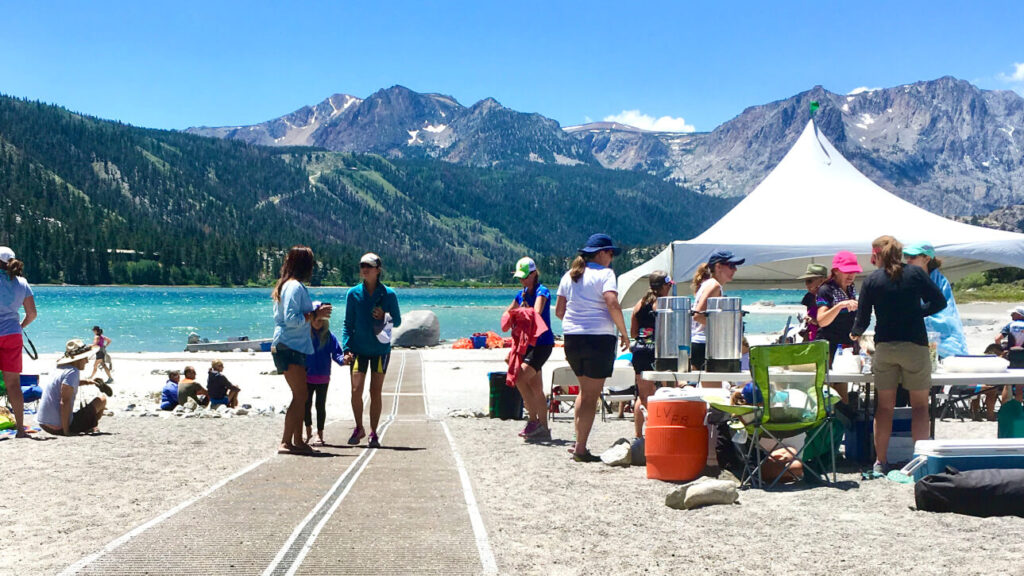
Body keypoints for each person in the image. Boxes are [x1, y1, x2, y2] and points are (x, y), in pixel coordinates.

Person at [851, 235, 946, 477]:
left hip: (885, 347)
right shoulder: (915, 274)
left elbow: (862, 319)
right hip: (915, 345)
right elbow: (939, 301)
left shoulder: (872, 280)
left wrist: (854, 334)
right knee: (920, 408)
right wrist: (918, 312)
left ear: (877, 254)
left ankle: (880, 463)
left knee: (884, 409)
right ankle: (920, 462)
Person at [555, 234, 630, 462]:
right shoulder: (605, 274)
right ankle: (580, 448)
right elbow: (612, 302)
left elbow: (559, 311)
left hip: (573, 339)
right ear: (600, 253)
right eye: (610, 253)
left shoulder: (569, 276)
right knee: (590, 396)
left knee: (584, 391)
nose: (612, 258)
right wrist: (624, 333)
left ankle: (578, 441)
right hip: (598, 338)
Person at [272, 245, 332, 455]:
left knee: (301, 395)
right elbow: (292, 319)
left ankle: (297, 440)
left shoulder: (287, 286)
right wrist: (315, 314)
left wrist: (314, 311)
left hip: (291, 345)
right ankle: (286, 442)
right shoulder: (294, 287)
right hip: (290, 346)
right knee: (301, 395)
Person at [342, 253, 401, 449]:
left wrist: (385, 315)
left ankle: (374, 432)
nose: (364, 269)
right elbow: (348, 324)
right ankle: (359, 427)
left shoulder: (389, 294)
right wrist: (346, 348)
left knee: (375, 392)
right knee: (355, 390)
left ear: (378, 270)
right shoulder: (353, 294)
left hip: (380, 350)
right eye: (362, 265)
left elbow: (398, 321)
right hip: (358, 349)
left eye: (368, 265)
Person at [504, 257, 555, 441]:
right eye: (520, 278)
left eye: (525, 277)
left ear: (534, 274)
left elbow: (536, 313)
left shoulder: (543, 291)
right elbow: (508, 314)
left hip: (542, 344)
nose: (522, 281)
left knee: (519, 377)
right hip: (527, 344)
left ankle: (533, 420)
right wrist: (511, 316)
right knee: (535, 388)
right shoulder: (521, 294)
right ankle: (544, 429)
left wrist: (519, 313)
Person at [904, 242, 968, 359]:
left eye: (913, 257)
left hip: (943, 339)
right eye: (906, 257)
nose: (908, 260)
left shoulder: (941, 282)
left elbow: (946, 311)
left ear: (926, 258)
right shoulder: (906, 279)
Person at [630, 270, 674, 439]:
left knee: (643, 395)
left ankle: (639, 435)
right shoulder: (664, 304)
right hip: (659, 351)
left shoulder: (639, 304)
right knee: (667, 391)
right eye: (668, 285)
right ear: (663, 286)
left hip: (640, 350)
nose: (669, 288)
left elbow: (634, 332)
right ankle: (660, 431)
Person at [815, 251, 863, 404]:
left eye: (853, 271)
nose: (851, 275)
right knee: (826, 388)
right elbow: (821, 320)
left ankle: (844, 421)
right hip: (827, 345)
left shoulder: (850, 288)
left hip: (845, 344)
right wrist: (840, 305)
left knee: (842, 389)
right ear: (835, 271)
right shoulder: (826, 289)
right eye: (847, 271)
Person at [691, 251, 744, 384]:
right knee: (714, 395)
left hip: (699, 345)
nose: (735, 269)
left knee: (708, 392)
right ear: (718, 266)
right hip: (706, 346)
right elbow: (698, 315)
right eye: (731, 266)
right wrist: (726, 327)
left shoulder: (708, 283)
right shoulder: (714, 286)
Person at [0, 246, 37, 438]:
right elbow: (32, 314)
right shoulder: (22, 283)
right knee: (13, 384)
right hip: (13, 334)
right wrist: (20, 325)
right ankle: (21, 429)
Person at [37, 339, 108, 436]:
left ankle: (88, 425)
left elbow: (64, 385)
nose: (87, 361)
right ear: (78, 359)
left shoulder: (59, 368)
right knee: (102, 399)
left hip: (44, 424)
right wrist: (67, 431)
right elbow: (64, 402)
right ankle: (90, 426)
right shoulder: (73, 372)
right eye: (85, 358)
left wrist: (88, 382)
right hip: (59, 427)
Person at [305, 314, 346, 445]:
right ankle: (307, 429)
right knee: (306, 404)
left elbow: (337, 353)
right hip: (306, 375)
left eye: (321, 321)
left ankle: (320, 434)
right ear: (310, 320)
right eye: (315, 320)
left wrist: (343, 360)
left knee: (320, 405)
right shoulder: (304, 335)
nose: (318, 323)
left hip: (323, 376)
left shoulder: (329, 336)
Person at [995, 306, 1024, 403]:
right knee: (1020, 386)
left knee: (1007, 385)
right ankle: (1017, 410)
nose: (1011, 315)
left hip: (1011, 356)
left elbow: (997, 339)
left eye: (1013, 313)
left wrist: (1000, 351)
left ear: (1019, 315)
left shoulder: (1010, 325)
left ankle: (1004, 409)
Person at [796, 264, 829, 342]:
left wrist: (816, 321)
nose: (807, 285)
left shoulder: (830, 296)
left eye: (809, 281)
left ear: (822, 280)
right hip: (812, 338)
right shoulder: (809, 297)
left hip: (826, 339)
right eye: (806, 281)